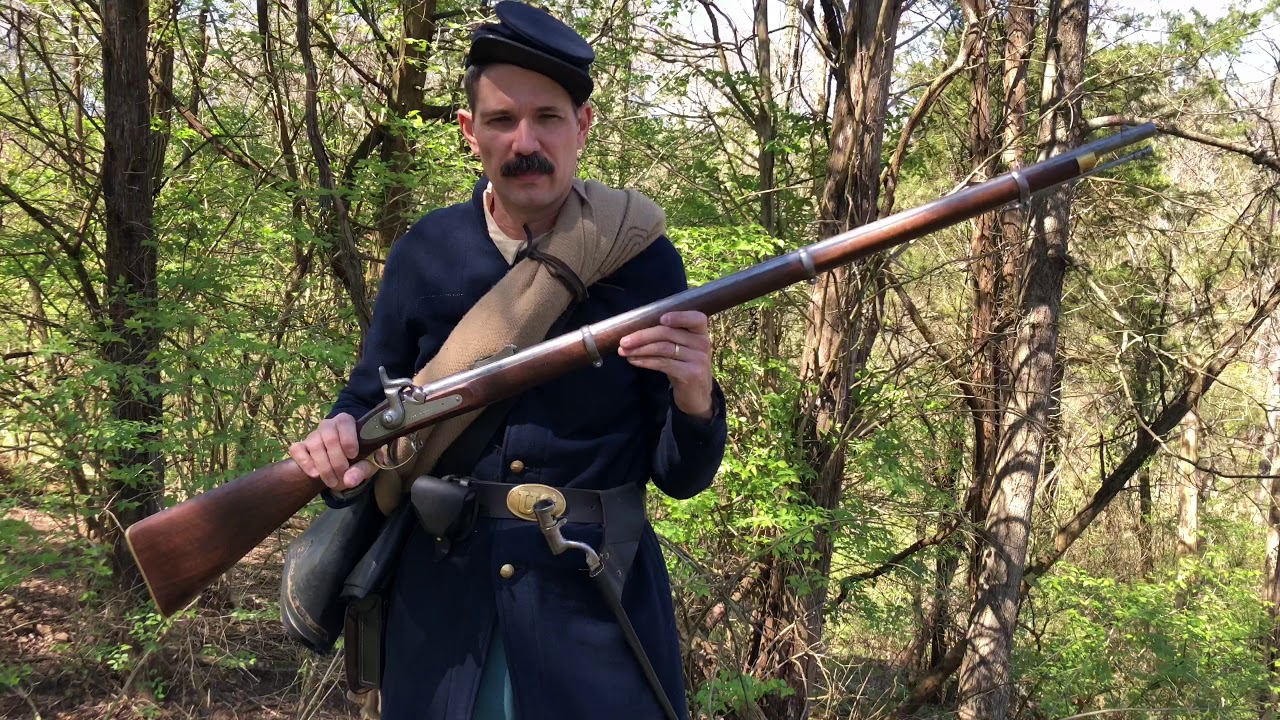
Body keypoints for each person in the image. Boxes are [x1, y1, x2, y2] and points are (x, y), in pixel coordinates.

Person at [286, 3, 727, 719]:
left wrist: (695, 398)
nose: (527, 142)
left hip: (593, 607)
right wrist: (338, 435)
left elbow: (681, 478)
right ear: (470, 133)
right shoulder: (425, 253)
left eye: (548, 117)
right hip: (444, 605)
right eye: (501, 120)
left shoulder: (643, 259)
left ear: (582, 126)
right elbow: (369, 397)